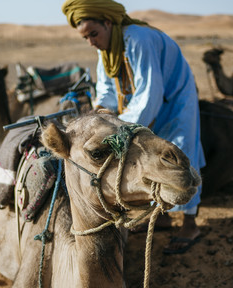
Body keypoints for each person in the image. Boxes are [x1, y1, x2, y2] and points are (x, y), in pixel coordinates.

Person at [62, 0, 206, 254]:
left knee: (178, 153)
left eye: (93, 34)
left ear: (108, 23)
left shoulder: (138, 39)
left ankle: (190, 225)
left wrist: (119, 129)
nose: (91, 42)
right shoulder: (106, 48)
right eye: (86, 38)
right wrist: (100, 117)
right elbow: (106, 89)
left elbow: (149, 93)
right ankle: (161, 216)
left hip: (175, 102)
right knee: (149, 159)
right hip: (144, 106)